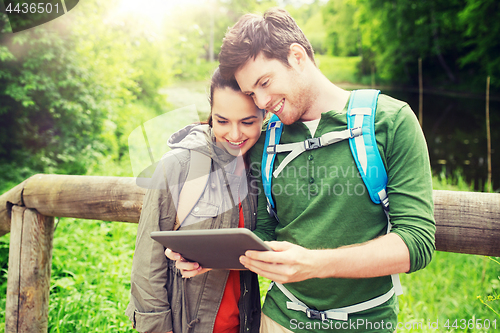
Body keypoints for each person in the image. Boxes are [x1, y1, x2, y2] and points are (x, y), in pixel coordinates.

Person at [216, 8, 436, 333]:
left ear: (297, 56)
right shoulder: (265, 141)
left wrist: (315, 264)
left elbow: (416, 242)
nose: (261, 102)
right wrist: (208, 257)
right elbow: (264, 232)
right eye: (251, 93)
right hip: (278, 319)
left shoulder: (392, 121)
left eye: (264, 83)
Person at [126, 68, 265, 333]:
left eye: (247, 122)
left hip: (244, 322)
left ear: (263, 115)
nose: (235, 135)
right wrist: (158, 328)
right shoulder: (179, 165)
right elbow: (147, 261)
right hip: (187, 324)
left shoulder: (260, 167)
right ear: (211, 114)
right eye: (222, 121)